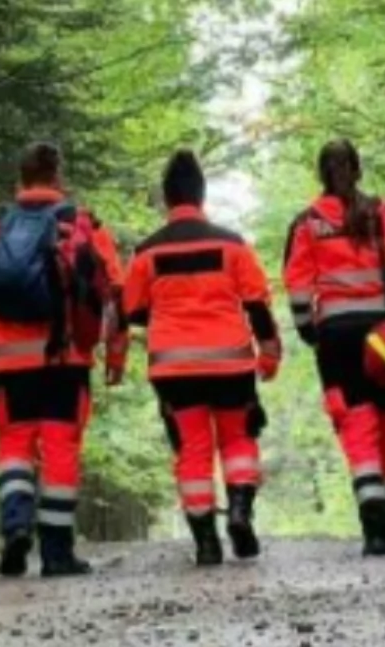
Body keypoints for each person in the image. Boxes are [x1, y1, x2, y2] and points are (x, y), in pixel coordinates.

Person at [0, 141, 128, 578]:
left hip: (10, 366)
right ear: (58, 178)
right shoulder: (81, 222)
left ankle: (15, 526)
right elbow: (115, 291)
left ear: (21, 179)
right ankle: (57, 553)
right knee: (60, 450)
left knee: (14, 448)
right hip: (65, 361)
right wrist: (116, 353)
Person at [123, 150, 281, 566]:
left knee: (192, 450)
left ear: (166, 198)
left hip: (174, 368)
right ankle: (242, 512)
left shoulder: (146, 252)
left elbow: (132, 310)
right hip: (230, 361)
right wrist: (268, 352)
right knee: (238, 439)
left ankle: (206, 541)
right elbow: (258, 305)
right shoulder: (232, 245)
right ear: (202, 193)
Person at [281, 139, 385, 556]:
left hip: (338, 336)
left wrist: (310, 330)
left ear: (321, 175)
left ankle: (373, 512)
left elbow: (297, 286)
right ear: (357, 170)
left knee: (355, 421)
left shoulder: (307, 223)